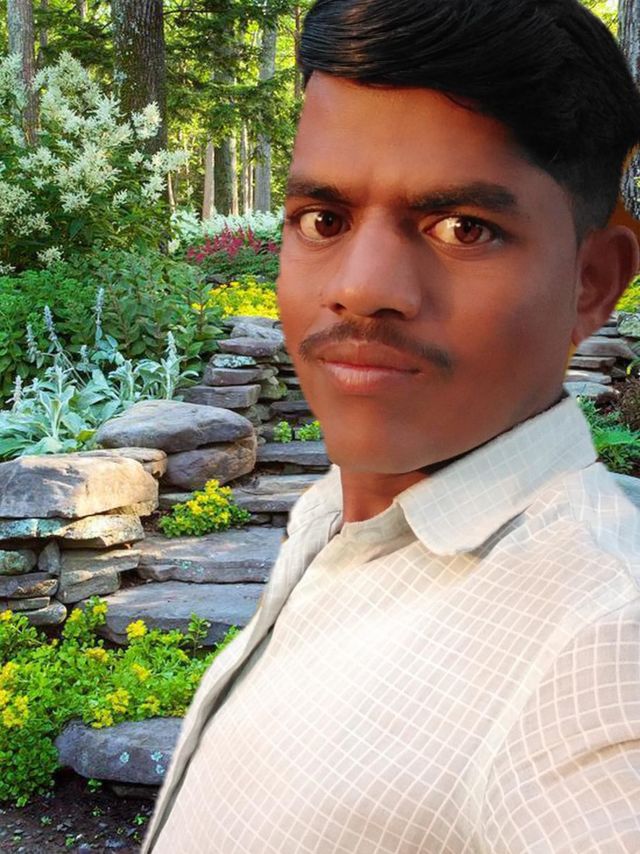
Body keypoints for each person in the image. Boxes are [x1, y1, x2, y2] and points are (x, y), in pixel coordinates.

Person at [143, 1, 640, 851]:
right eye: (323, 220)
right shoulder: (336, 513)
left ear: (592, 283)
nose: (361, 286)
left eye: (462, 228)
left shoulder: (600, 656)